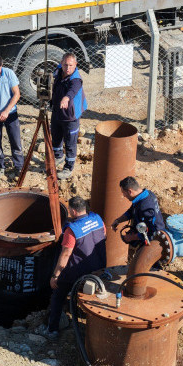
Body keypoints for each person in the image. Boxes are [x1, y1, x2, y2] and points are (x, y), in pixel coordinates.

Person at [46, 196, 106, 339]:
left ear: (72, 211)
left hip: (76, 272)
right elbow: (104, 235)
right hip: (98, 267)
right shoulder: (97, 219)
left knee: (57, 296)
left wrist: (55, 276)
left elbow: (65, 254)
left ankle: (52, 330)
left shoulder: (72, 230)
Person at [50, 52, 88, 180]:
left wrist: (66, 98)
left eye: (71, 65)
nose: (67, 68)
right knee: (56, 136)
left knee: (70, 143)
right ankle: (58, 156)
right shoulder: (59, 70)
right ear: (61, 64)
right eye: (65, 65)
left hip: (70, 116)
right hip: (57, 112)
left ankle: (68, 167)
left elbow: (72, 91)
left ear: (75, 65)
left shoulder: (76, 79)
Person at [111, 176, 165, 247]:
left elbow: (152, 232)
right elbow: (131, 211)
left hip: (154, 240)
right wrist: (118, 220)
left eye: (124, 193)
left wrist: (130, 238)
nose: (124, 196)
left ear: (130, 191)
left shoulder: (145, 207)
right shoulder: (147, 194)